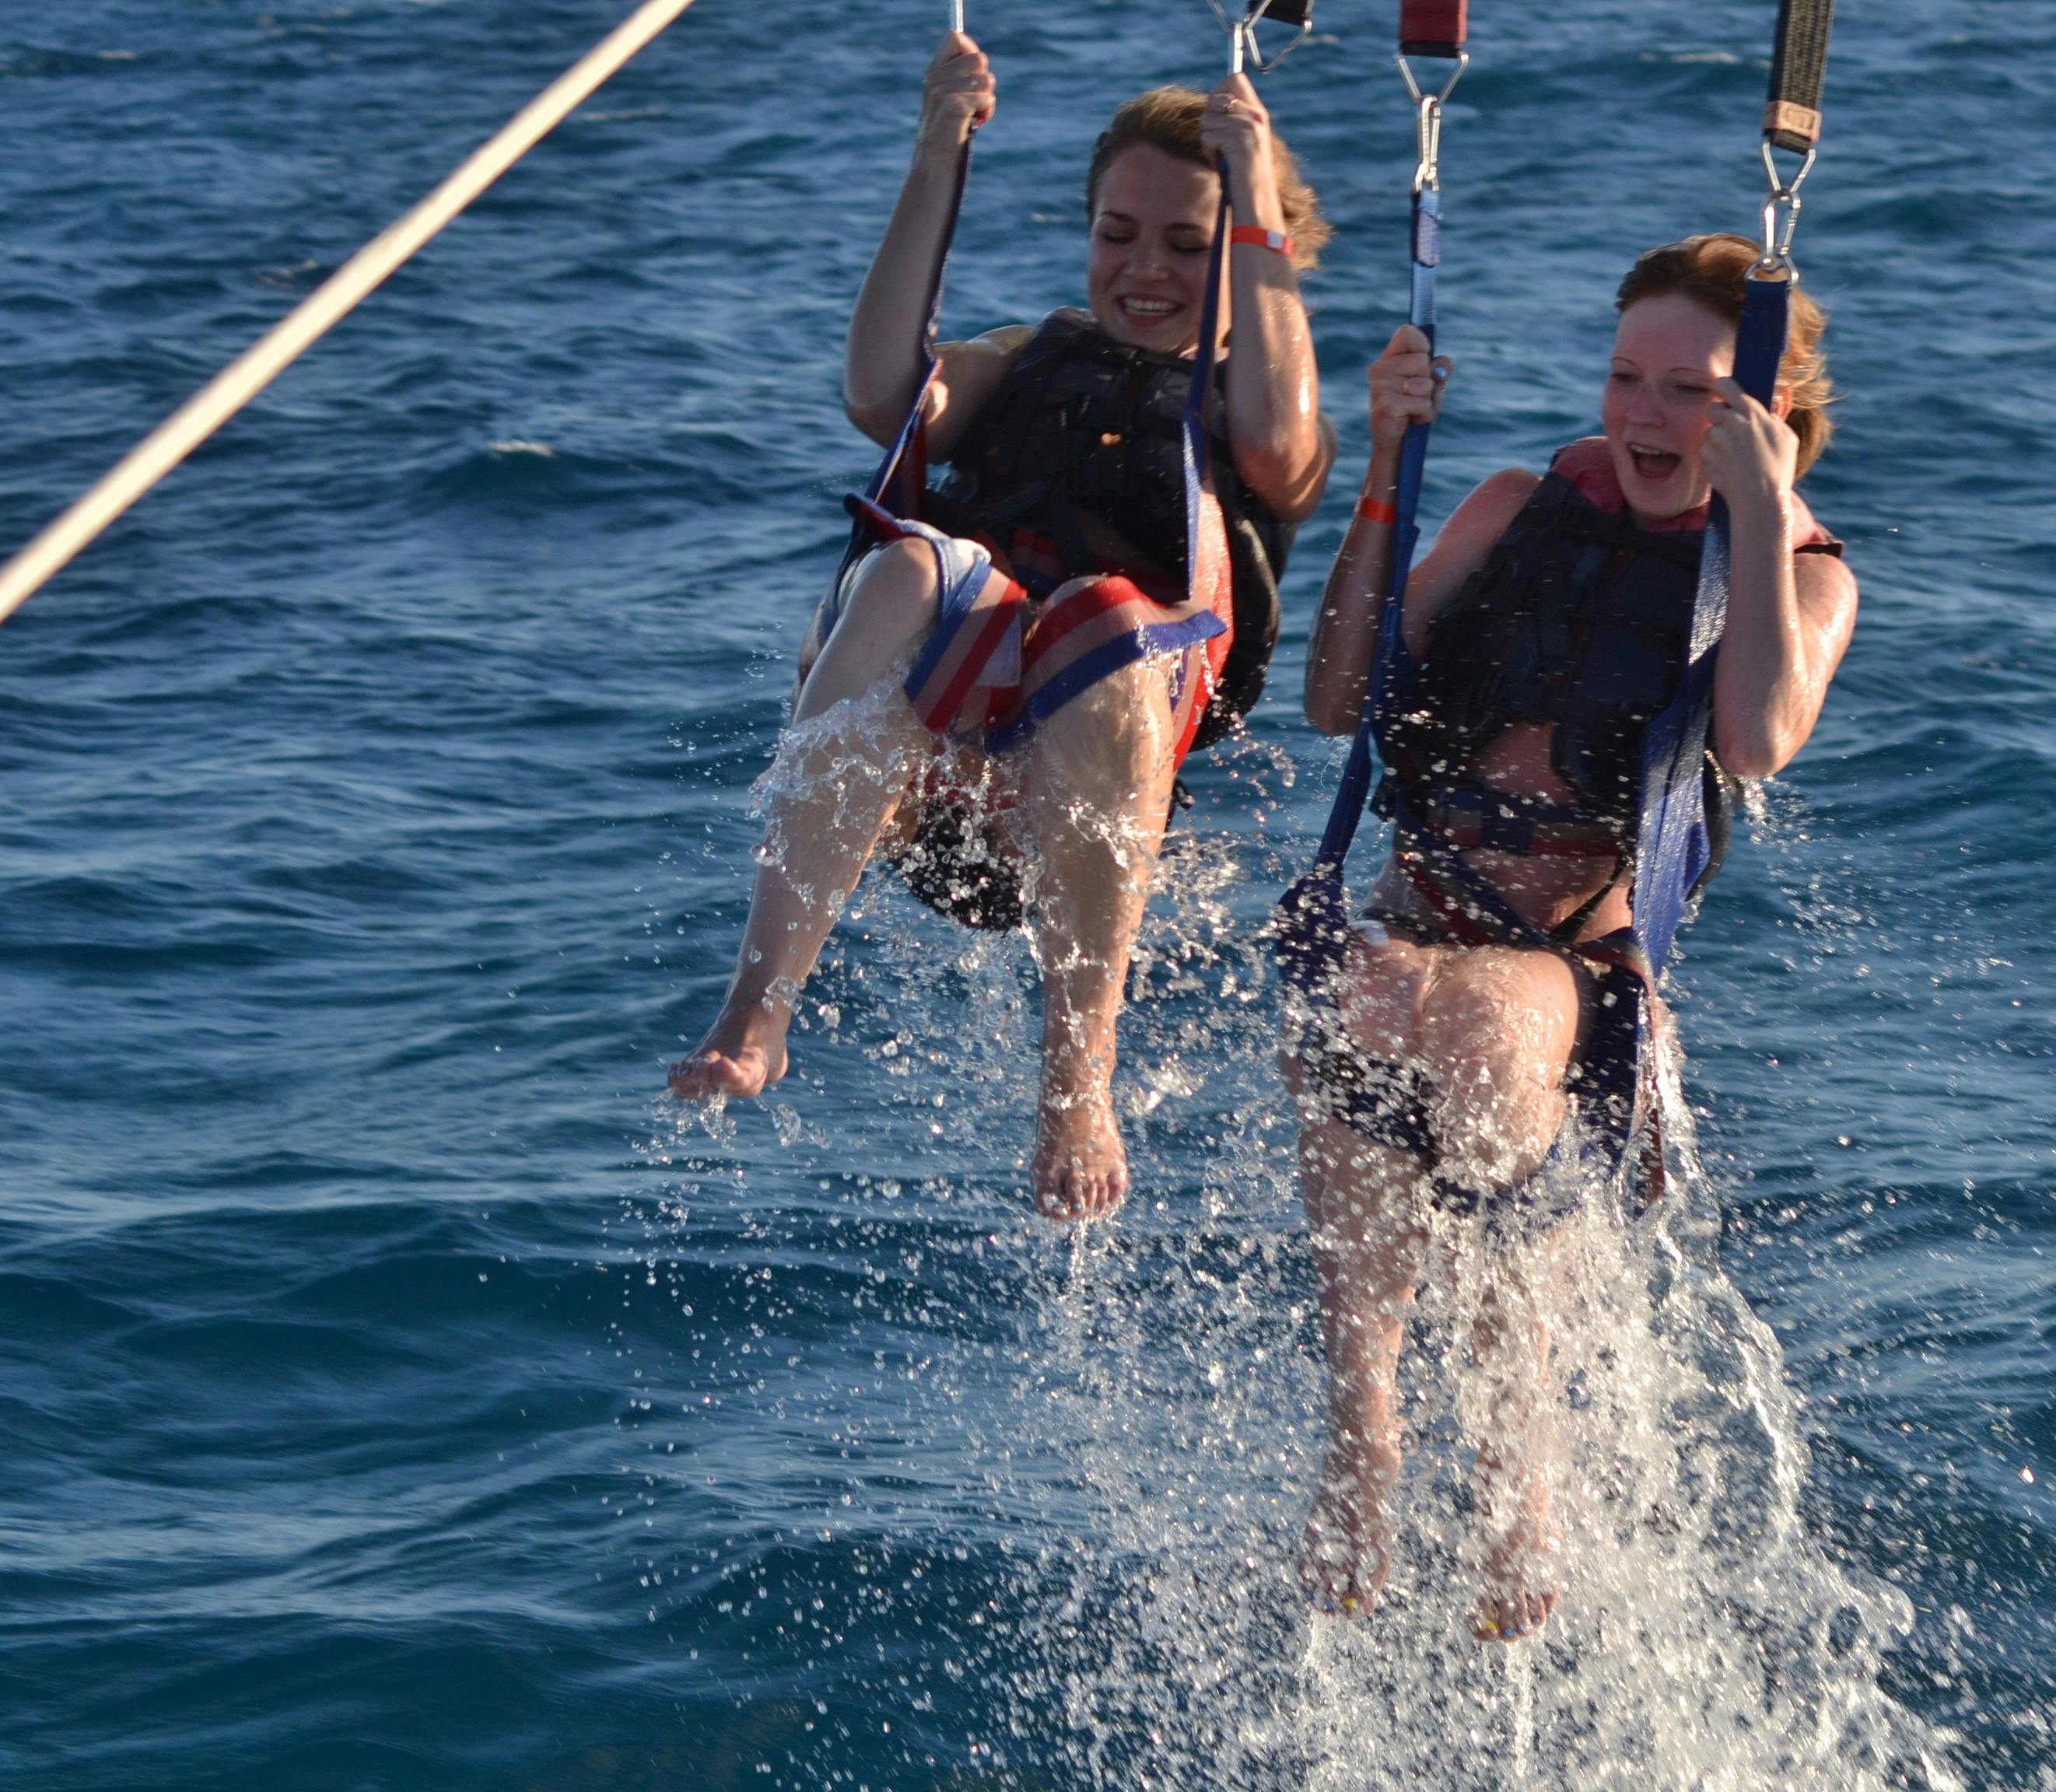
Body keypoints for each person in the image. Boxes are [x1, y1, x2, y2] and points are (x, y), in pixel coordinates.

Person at [1286, 234, 1857, 1641]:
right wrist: (1379, 464)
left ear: (1767, 415)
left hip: (1574, 969)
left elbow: (1758, 739)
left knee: (1478, 1026)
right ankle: (1364, 1429)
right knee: (1363, 997)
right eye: (1625, 378)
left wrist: (1763, 507)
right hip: (1409, 907)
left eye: (1690, 392)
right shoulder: (1508, 503)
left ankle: (1516, 1459)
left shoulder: (1798, 574)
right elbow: (1334, 693)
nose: (1644, 416)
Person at [669, 35, 1334, 1221]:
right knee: (905, 574)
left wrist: (1260, 209)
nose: (1146, 269)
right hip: (932, 780)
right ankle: (757, 1010)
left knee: (1106, 618)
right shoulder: (1024, 358)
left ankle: (1077, 1086)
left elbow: (1283, 445)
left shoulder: (1245, 408)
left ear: (1244, 253)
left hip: (1084, 798)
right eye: (1118, 233)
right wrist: (936, 154)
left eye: (1192, 244)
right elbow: (882, 394)